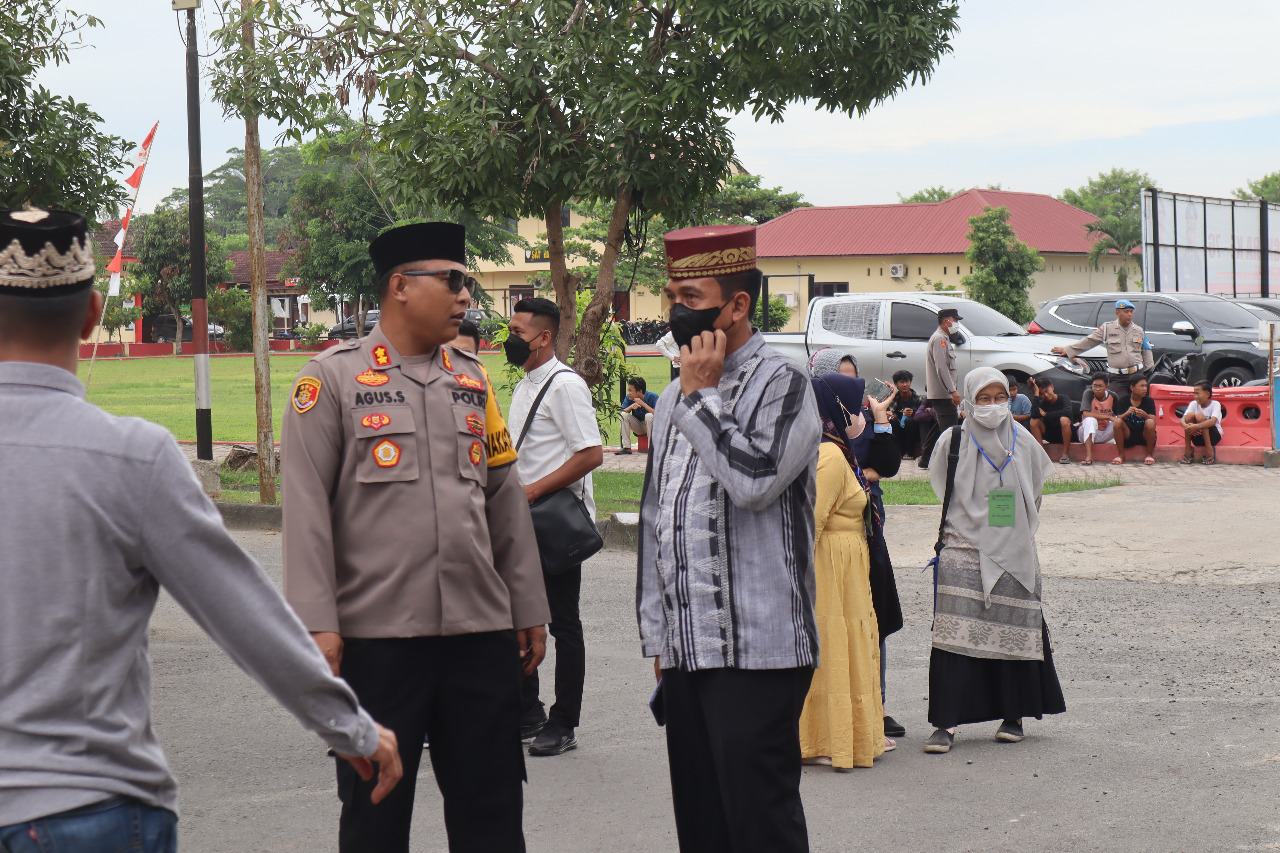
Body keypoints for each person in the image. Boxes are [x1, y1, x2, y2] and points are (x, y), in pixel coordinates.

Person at [0, 208, 401, 852]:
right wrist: (349, 728)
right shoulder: (131, 457)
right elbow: (244, 615)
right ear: (92, 314)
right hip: (88, 806)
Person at [282, 222, 550, 853]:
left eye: (467, 283)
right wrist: (319, 626)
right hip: (378, 642)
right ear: (400, 287)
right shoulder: (331, 382)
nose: (466, 297)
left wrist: (528, 606)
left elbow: (503, 500)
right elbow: (306, 516)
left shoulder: (472, 379)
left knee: (493, 813)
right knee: (375, 816)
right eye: (453, 281)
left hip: (478, 637)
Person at [637, 224, 820, 853]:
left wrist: (704, 396)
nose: (676, 312)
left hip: (761, 651)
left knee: (759, 824)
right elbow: (659, 520)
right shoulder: (668, 401)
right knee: (703, 824)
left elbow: (755, 482)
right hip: (691, 651)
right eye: (672, 297)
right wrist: (660, 636)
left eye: (691, 297)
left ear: (736, 305)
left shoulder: (784, 384)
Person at [923, 366, 1066, 755]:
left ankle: (1014, 716)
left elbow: (1035, 492)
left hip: (1014, 550)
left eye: (998, 398)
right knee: (954, 634)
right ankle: (946, 723)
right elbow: (943, 488)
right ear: (969, 401)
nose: (991, 407)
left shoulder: (1023, 440)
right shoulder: (952, 440)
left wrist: (1008, 529)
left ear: (1010, 397)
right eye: (982, 400)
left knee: (1015, 627)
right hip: (963, 546)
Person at [507, 296, 605, 756]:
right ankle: (528, 713)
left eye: (517, 333)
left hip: (552, 523)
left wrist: (531, 491)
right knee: (515, 617)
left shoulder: (565, 385)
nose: (508, 340)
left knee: (563, 623)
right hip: (520, 522)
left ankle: (564, 722)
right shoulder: (526, 383)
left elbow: (590, 453)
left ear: (544, 338)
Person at [799, 374, 899, 769]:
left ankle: (844, 734)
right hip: (830, 571)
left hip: (846, 569)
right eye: (854, 405)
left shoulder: (838, 451)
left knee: (848, 649)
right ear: (836, 409)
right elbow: (809, 525)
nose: (860, 413)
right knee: (833, 651)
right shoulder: (828, 455)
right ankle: (824, 739)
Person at [1051, 299, 1154, 398]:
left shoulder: (1139, 330)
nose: (1130, 314)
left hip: (1137, 375)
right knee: (1119, 405)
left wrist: (1150, 371)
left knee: (1139, 404)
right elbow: (1090, 341)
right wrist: (1068, 350)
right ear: (1117, 313)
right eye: (1126, 312)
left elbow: (1147, 350)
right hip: (1118, 377)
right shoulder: (1107, 328)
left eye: (1131, 312)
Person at [919, 308, 962, 469]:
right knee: (948, 429)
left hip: (942, 393)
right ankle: (946, 463)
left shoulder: (943, 338)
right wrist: (953, 391)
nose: (957, 324)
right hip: (943, 394)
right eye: (955, 320)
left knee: (939, 425)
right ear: (946, 321)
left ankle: (926, 458)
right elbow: (941, 368)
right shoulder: (939, 339)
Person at [1077, 373, 1119, 466]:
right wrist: (1108, 417)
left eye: (1100, 386)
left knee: (1118, 421)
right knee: (1090, 419)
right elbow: (1085, 413)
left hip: (1104, 433)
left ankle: (1121, 453)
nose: (1097, 389)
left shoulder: (1113, 396)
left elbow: (1117, 415)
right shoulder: (1088, 394)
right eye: (1095, 386)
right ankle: (1089, 455)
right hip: (1087, 434)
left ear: (1107, 387)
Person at [1029, 376, 1074, 464]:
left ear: (1052, 387)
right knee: (1033, 422)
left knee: (1064, 419)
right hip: (1050, 434)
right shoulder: (1042, 403)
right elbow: (1034, 415)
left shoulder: (1063, 398)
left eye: (1046, 391)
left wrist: (1046, 415)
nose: (1045, 395)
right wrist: (1036, 394)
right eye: (1041, 393)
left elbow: (1067, 412)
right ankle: (1042, 455)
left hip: (1065, 433)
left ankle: (1065, 454)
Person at [1115, 376, 1157, 465]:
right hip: (1128, 433)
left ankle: (1149, 455)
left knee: (1150, 422)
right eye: (1141, 386)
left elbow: (1153, 422)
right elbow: (1118, 420)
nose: (1145, 389)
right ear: (1132, 388)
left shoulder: (1149, 401)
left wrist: (1144, 415)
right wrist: (1126, 414)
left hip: (1144, 434)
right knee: (1117, 422)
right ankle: (1121, 455)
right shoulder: (1123, 400)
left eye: (1146, 386)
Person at [1181, 380, 1223, 464]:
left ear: (1207, 394)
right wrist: (1187, 426)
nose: (1196, 396)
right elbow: (1183, 419)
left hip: (1213, 437)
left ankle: (1209, 449)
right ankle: (1188, 449)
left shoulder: (1215, 404)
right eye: (1194, 394)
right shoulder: (1193, 404)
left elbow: (1213, 421)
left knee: (1199, 415)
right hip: (1197, 435)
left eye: (1198, 393)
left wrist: (1197, 426)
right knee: (1189, 416)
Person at [617, 375, 659, 455]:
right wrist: (631, 407)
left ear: (639, 391)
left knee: (649, 416)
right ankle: (627, 448)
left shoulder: (653, 396)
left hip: (652, 426)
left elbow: (658, 414)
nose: (629, 393)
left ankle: (651, 448)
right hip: (639, 426)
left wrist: (643, 404)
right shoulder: (629, 398)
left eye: (630, 391)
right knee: (623, 415)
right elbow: (621, 412)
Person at [889, 369, 923, 459]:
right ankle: (898, 452)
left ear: (910, 382)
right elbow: (890, 412)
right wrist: (890, 415)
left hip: (913, 430)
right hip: (899, 429)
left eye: (907, 381)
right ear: (896, 384)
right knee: (893, 422)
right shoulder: (894, 398)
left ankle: (910, 452)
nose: (905, 385)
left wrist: (914, 413)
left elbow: (922, 415)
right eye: (901, 382)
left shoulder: (917, 398)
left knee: (909, 422)